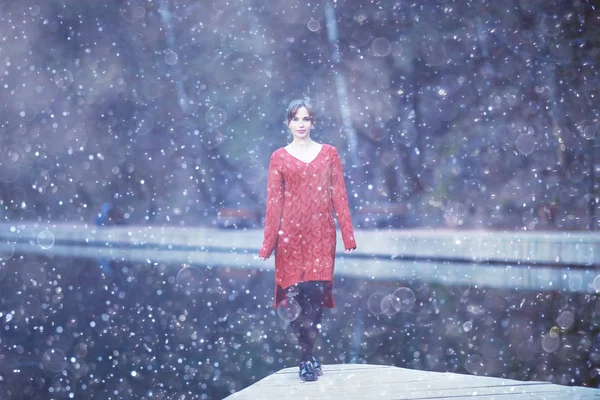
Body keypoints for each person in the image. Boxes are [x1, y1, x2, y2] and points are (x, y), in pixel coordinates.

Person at [258, 99, 357, 382]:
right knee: (296, 297)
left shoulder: (329, 154)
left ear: (313, 122)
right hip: (289, 237)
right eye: (295, 119)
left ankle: (306, 356)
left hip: (321, 235)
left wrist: (347, 234)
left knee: (314, 295)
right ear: (288, 123)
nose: (301, 124)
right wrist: (268, 243)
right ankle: (307, 355)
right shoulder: (278, 157)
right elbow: (273, 203)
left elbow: (339, 194)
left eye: (306, 119)